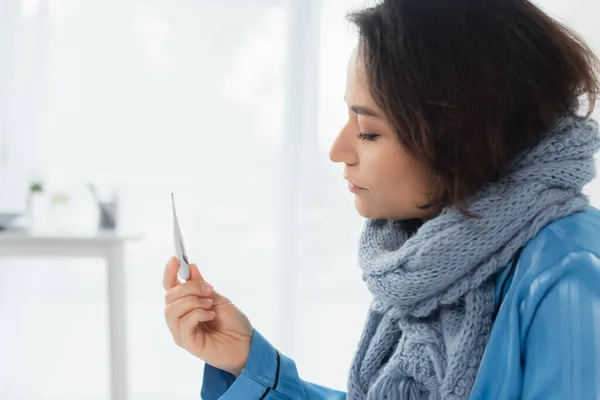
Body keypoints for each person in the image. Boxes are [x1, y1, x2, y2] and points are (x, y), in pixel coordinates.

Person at [163, 0, 600, 398]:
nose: (338, 151)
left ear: (459, 139)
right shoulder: (429, 257)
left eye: (368, 131)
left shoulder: (571, 276)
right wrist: (250, 365)